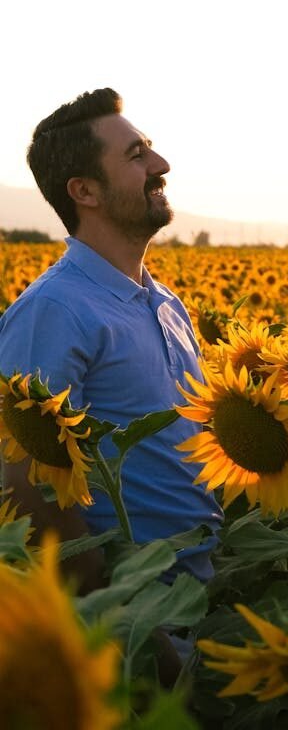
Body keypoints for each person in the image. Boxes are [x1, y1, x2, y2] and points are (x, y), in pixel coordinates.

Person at [0, 88, 223, 593]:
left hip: (197, 588)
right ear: (85, 192)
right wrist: (119, 611)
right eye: (136, 155)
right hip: (135, 610)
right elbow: (29, 484)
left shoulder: (163, 300)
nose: (160, 164)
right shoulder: (53, 311)